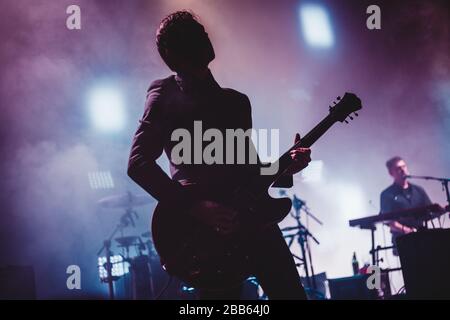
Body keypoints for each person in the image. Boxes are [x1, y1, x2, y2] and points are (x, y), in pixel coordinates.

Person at [127, 11, 311, 299]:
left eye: (202, 31)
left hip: (253, 222)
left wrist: (288, 168)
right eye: (194, 34)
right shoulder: (163, 94)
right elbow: (138, 164)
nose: (205, 36)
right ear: (171, 53)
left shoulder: (235, 102)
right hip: (203, 233)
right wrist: (196, 207)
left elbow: (251, 171)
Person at [380, 156, 432, 255]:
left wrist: (443, 209)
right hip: (402, 240)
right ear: (391, 173)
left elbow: (431, 210)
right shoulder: (387, 194)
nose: (402, 170)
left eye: (404, 166)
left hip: (423, 237)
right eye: (398, 168)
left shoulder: (418, 190)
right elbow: (390, 222)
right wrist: (408, 230)